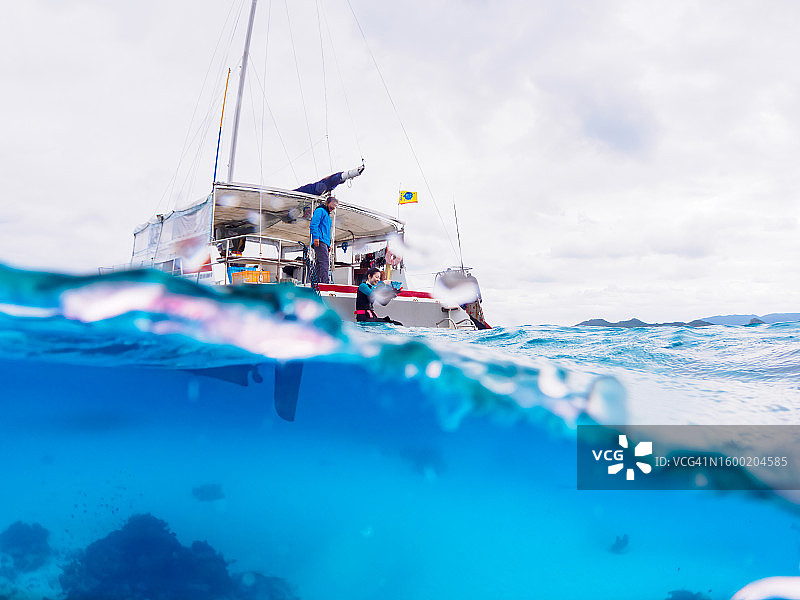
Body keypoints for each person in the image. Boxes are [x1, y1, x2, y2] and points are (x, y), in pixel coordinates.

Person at [310, 196, 337, 285]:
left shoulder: (328, 216)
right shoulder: (320, 211)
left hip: (325, 242)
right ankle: (325, 283)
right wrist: (316, 237)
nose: (334, 206)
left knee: (319, 263)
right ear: (327, 203)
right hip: (320, 240)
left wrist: (328, 245)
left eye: (335, 205)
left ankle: (316, 283)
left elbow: (328, 231)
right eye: (333, 204)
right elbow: (314, 224)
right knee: (325, 262)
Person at [294, 163, 364, 196]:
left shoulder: (329, 184)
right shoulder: (328, 182)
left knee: (329, 183)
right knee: (330, 182)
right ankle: (349, 174)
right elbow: (334, 179)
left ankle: (349, 174)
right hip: (314, 189)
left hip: (316, 190)